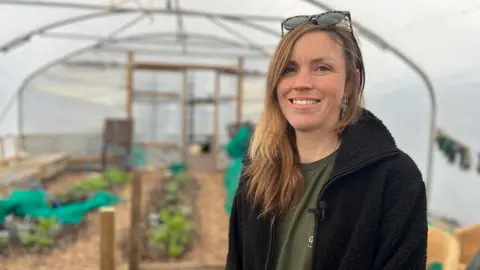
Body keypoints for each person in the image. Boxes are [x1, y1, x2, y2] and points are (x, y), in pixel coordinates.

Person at [226, 11, 428, 270]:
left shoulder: (395, 179)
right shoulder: (257, 169)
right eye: (289, 69)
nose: (302, 83)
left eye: (322, 68)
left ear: (350, 85)